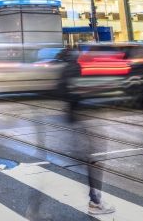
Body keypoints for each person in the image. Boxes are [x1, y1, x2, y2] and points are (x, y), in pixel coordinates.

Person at [57, 48, 115, 215]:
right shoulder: (78, 70)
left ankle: (94, 197)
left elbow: (60, 91)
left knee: (91, 159)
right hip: (87, 118)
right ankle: (95, 201)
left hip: (77, 118)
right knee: (95, 159)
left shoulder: (67, 70)